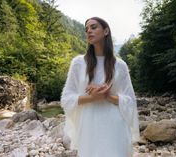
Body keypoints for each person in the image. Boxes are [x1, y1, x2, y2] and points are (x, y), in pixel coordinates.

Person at [60, 17, 140, 157]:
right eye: (86, 29)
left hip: (116, 127)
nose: (89, 31)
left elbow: (130, 101)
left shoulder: (120, 65)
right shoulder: (78, 63)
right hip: (89, 128)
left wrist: (107, 96)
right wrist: (92, 98)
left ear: (106, 31)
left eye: (93, 27)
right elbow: (66, 99)